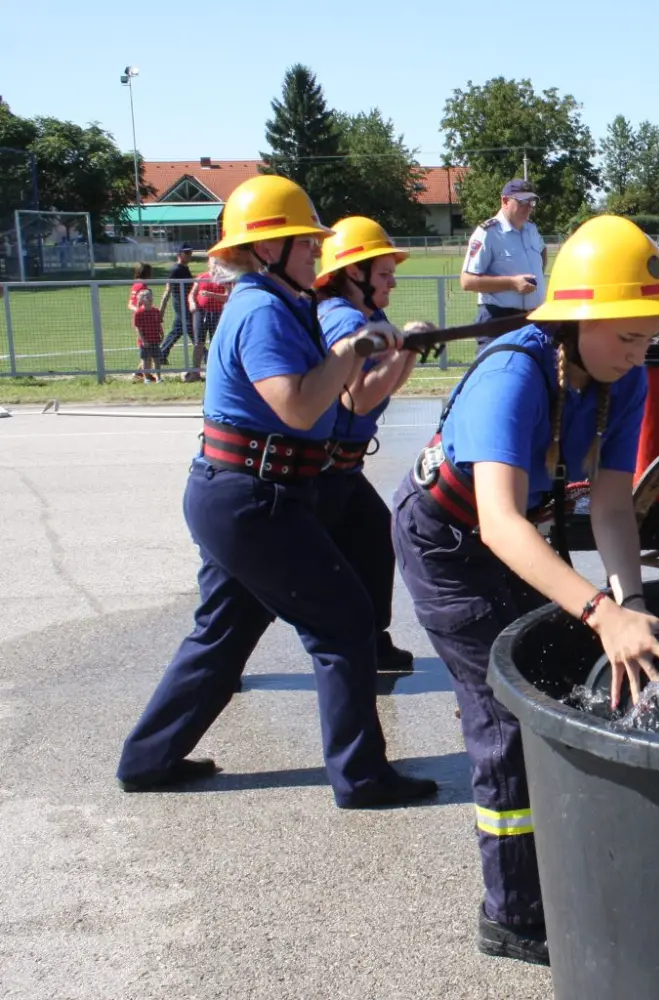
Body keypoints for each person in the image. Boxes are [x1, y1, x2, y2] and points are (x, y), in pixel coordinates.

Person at [392, 214, 659, 964]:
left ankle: (561, 864)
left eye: (650, 334)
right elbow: (497, 522)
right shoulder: (514, 372)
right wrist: (598, 611)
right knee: (502, 709)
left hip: (510, 535)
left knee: (550, 683)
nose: (640, 350)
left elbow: (617, 503)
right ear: (576, 318)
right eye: (627, 335)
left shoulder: (627, 376)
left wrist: (635, 604)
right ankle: (515, 914)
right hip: (449, 541)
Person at [115, 174, 438, 810]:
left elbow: (329, 395)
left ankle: (147, 760)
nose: (318, 256)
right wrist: (350, 349)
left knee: (224, 631)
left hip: (245, 495)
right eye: (306, 245)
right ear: (268, 249)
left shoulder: (278, 302)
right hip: (253, 499)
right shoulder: (262, 308)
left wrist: (365, 350)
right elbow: (295, 406)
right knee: (343, 622)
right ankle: (362, 779)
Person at [313, 216, 422, 673]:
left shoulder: (369, 316)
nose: (392, 281)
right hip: (322, 469)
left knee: (375, 539)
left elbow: (388, 385)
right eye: (383, 273)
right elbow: (357, 399)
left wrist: (409, 350)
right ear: (351, 273)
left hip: (342, 468)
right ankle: (221, 658)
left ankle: (373, 641)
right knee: (266, 583)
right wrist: (401, 351)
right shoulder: (342, 318)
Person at [460, 178, 546, 351]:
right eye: (522, 201)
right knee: (495, 374)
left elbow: (542, 253)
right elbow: (467, 281)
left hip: (532, 319)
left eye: (532, 201)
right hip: (498, 321)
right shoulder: (487, 232)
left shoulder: (531, 229)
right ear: (505, 201)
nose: (528, 206)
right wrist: (512, 283)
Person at [185, 262, 231, 382]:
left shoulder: (223, 278)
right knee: (198, 343)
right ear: (208, 264)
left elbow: (228, 296)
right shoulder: (201, 277)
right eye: (213, 263)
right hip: (201, 312)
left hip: (216, 313)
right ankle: (195, 372)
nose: (215, 266)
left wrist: (212, 295)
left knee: (216, 343)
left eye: (217, 263)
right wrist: (192, 303)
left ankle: (217, 372)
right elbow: (192, 294)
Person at [159, 244, 195, 367]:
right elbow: (168, 288)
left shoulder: (185, 268)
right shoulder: (176, 270)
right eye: (187, 253)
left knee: (178, 330)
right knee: (190, 328)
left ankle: (161, 355)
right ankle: (205, 355)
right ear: (179, 254)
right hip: (180, 303)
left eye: (190, 253)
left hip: (187, 302)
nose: (190, 255)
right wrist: (162, 309)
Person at [132, 287, 164, 383]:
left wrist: (162, 334)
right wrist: (143, 340)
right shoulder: (139, 313)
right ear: (142, 300)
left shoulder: (156, 311)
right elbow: (138, 328)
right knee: (145, 359)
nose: (150, 299)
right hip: (145, 341)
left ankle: (158, 377)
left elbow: (159, 324)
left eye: (150, 297)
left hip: (155, 339)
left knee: (157, 359)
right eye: (147, 297)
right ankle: (146, 378)